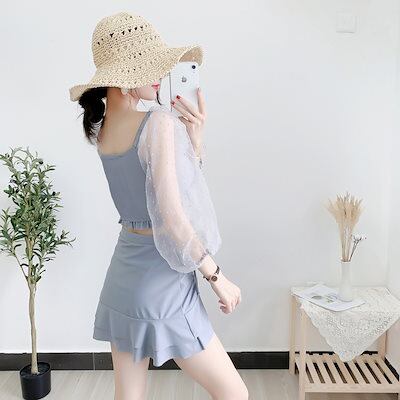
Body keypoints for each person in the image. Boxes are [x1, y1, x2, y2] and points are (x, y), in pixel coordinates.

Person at [69, 11, 247, 400]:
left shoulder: (104, 130)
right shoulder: (159, 123)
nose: (160, 73)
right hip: (163, 284)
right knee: (235, 394)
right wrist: (217, 277)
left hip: (123, 280)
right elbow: (172, 216)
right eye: (146, 65)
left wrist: (193, 143)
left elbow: (154, 196)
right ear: (122, 75)